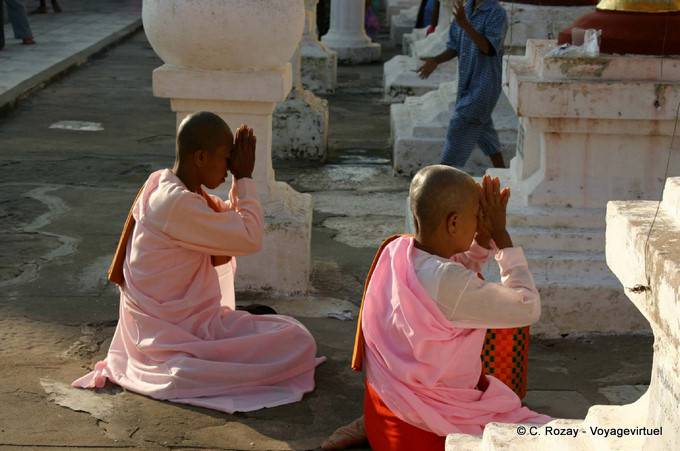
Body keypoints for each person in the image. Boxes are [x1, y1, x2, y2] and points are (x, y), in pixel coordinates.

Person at [72, 111, 324, 413]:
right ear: (201, 157)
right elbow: (248, 237)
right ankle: (200, 368)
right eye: (226, 158)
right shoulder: (176, 204)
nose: (230, 166)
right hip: (170, 337)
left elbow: (230, 221)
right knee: (297, 342)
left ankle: (222, 351)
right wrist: (244, 177)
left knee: (286, 330)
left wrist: (238, 180)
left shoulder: (167, 186)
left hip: (183, 324)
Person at [322, 166, 550, 450]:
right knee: (546, 435)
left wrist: (480, 242)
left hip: (385, 412)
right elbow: (527, 307)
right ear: (453, 223)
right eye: (477, 216)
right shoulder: (448, 281)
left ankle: (367, 425)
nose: (481, 223)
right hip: (423, 432)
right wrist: (501, 237)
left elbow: (450, 280)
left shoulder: (396, 252)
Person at [417, 0, 507, 169]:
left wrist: (465, 25)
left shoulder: (496, 13)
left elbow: (488, 48)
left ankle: (442, 180)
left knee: (458, 128)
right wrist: (435, 61)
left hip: (484, 86)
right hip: (467, 84)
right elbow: (454, 47)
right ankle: (504, 177)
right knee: (485, 134)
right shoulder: (465, 9)